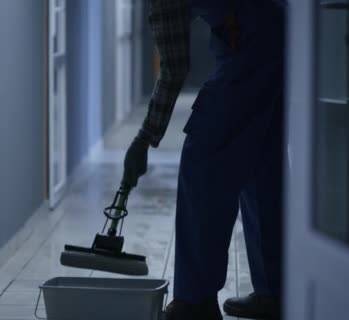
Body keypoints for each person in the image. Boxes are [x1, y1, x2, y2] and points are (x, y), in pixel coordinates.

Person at [121, 0, 286, 319]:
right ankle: (275, 291)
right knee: (261, 164)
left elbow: (174, 68)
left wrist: (144, 138)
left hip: (254, 43)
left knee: (204, 162)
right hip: (280, 28)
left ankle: (195, 301)